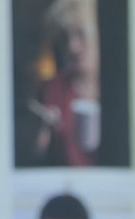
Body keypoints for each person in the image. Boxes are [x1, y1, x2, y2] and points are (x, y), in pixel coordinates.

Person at [26, 0, 101, 166]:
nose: (72, 46)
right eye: (65, 37)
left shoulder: (118, 89)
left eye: (81, 34)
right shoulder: (49, 92)